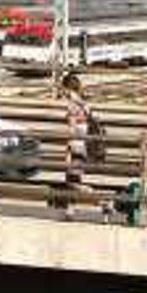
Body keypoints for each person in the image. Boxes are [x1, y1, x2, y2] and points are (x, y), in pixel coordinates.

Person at [62, 72, 89, 219]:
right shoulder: (84, 103)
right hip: (84, 144)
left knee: (73, 181)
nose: (63, 93)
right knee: (73, 179)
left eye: (63, 89)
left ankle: (103, 200)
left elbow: (71, 131)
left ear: (67, 88)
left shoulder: (72, 105)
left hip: (76, 145)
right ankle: (70, 210)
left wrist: (67, 150)